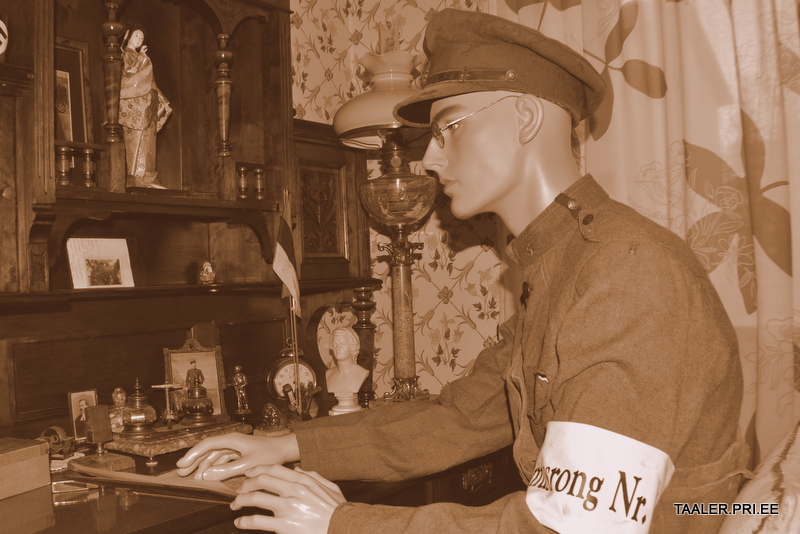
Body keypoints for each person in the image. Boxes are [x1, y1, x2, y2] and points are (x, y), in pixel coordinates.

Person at [177, 9, 747, 534]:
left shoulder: (625, 272)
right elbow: (461, 417)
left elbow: (573, 527)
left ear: (525, 117)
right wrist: (286, 444)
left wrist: (341, 523)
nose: (430, 158)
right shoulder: (565, 265)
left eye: (449, 127)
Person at [119, 27, 172, 189]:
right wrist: (142, 57)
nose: (138, 39)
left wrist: (159, 99)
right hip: (134, 105)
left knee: (148, 139)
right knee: (136, 138)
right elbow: (129, 72)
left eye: (141, 38)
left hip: (146, 104)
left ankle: (149, 176)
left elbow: (150, 83)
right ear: (127, 36)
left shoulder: (140, 56)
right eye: (136, 35)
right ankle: (135, 176)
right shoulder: (126, 55)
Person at [325, 327, 368, 395]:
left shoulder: (361, 373)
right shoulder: (329, 374)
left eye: (342, 344)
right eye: (334, 344)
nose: (337, 348)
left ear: (352, 346)